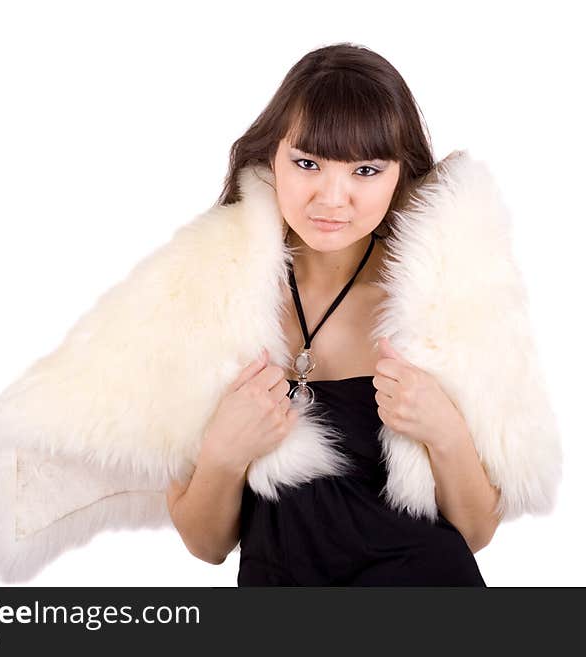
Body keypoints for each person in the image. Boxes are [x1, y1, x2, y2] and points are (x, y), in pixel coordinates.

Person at [165, 43, 496, 586]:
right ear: (270, 156)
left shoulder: (440, 303)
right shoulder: (208, 299)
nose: (333, 198)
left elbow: (476, 531)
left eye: (366, 169)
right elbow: (207, 544)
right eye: (307, 163)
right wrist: (224, 454)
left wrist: (446, 431)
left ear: (399, 173)